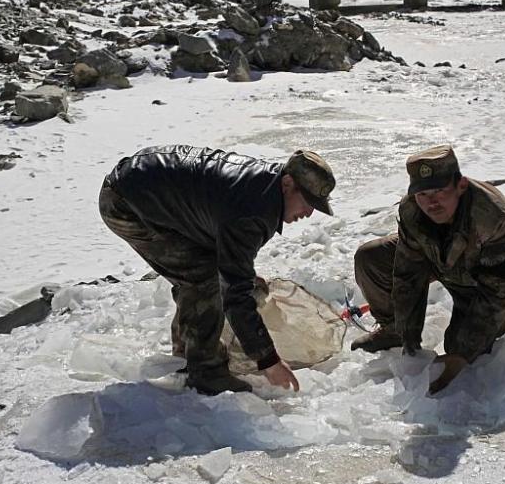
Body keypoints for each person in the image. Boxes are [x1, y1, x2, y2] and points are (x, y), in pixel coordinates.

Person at [98, 145, 335, 395]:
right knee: (204, 278)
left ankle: (187, 352)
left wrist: (240, 274)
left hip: (146, 186)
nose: (309, 213)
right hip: (126, 202)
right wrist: (269, 361)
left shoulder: (264, 187)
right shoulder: (252, 211)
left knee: (209, 272)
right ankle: (206, 371)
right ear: (287, 184)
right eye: (308, 202)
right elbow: (235, 296)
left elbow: (222, 228)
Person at [351, 144, 505, 394]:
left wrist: (461, 354)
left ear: (461, 185)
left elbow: (497, 291)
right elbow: (407, 274)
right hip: (440, 258)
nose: (431, 202)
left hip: (483, 276)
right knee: (371, 257)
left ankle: (481, 334)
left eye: (439, 191)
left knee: (461, 346)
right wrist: (408, 336)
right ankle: (391, 330)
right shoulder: (412, 209)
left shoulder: (491, 216)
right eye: (422, 194)